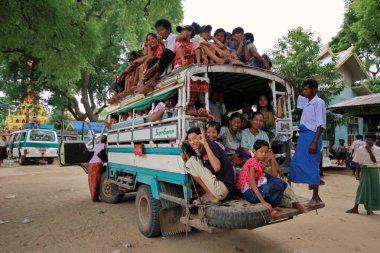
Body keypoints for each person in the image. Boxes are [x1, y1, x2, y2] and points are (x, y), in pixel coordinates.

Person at [288, 78, 326, 206]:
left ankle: (315, 197)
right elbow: (298, 96)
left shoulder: (318, 102)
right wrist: (293, 84)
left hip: (312, 137)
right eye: (303, 89)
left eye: (306, 89)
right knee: (296, 162)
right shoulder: (307, 101)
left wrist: (314, 142)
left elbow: (320, 125)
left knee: (312, 166)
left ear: (314, 89)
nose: (304, 92)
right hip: (304, 136)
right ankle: (316, 195)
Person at [236, 140, 287, 218]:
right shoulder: (252, 162)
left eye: (266, 152)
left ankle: (272, 206)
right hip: (249, 193)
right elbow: (252, 183)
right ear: (255, 151)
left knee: (281, 183)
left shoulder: (259, 162)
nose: (264, 154)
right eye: (261, 152)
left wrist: (272, 161)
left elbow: (274, 174)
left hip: (255, 191)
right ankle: (270, 206)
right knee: (277, 184)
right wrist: (263, 202)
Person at [183, 127, 235, 203]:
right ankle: (209, 193)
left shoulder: (211, 145)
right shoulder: (201, 152)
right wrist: (185, 161)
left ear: (201, 137)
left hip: (221, 188)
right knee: (188, 165)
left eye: (194, 139)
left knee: (190, 163)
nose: (192, 142)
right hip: (217, 188)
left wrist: (205, 144)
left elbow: (217, 168)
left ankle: (209, 194)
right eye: (190, 140)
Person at [138, 19, 177, 94]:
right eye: (158, 31)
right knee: (154, 59)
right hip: (166, 60)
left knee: (166, 52)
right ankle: (146, 84)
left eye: (162, 30)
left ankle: (154, 78)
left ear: (168, 29)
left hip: (173, 60)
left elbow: (169, 53)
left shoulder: (173, 37)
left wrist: (152, 69)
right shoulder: (165, 41)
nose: (160, 32)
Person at [346, 135, 380, 215]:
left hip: (374, 171)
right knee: (361, 189)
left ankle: (370, 208)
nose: (368, 141)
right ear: (365, 140)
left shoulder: (378, 149)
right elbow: (358, 162)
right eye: (367, 139)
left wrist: (369, 151)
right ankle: (355, 208)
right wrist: (357, 173)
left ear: (373, 141)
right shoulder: (360, 149)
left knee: (374, 189)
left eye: (371, 139)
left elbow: (374, 161)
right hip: (364, 171)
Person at [87, 135, 107, 201]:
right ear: (106, 140)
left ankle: (93, 197)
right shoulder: (104, 145)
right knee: (96, 181)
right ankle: (95, 198)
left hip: (91, 164)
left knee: (92, 181)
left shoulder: (97, 145)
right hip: (97, 164)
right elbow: (100, 154)